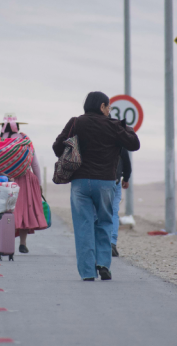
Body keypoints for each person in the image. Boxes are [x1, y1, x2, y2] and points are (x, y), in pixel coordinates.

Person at [52, 92, 140, 281]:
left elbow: (57, 148)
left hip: (80, 182)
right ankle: (103, 264)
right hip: (106, 183)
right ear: (102, 106)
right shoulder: (114, 125)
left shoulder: (75, 123)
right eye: (109, 107)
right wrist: (126, 128)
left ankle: (87, 273)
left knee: (83, 226)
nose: (110, 111)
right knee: (105, 222)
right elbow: (134, 144)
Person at [0, 113, 47, 254]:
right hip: (23, 179)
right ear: (18, 126)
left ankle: (5, 243)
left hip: (3, 179)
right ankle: (22, 243)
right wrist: (39, 183)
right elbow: (34, 163)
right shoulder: (25, 139)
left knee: (4, 210)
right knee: (23, 211)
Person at [110, 148, 132, 257]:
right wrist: (126, 178)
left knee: (95, 212)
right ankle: (112, 243)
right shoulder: (118, 132)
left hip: (95, 179)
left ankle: (96, 244)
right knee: (113, 212)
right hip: (114, 180)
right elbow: (126, 160)